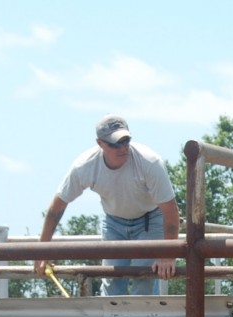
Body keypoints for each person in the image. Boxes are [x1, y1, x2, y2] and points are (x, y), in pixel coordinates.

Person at [35, 114, 180, 296]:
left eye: (125, 141)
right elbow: (57, 208)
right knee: (112, 281)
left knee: (146, 279)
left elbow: (171, 211)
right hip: (114, 222)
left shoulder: (150, 162)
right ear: (100, 143)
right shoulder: (85, 166)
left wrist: (168, 255)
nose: (123, 148)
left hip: (150, 220)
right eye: (114, 143)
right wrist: (42, 252)